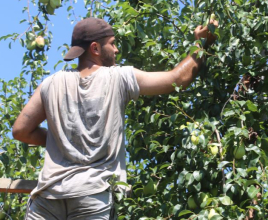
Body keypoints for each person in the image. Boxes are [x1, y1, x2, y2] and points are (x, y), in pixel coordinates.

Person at [12, 17, 218, 220]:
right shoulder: (119, 77)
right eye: (112, 44)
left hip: (47, 198)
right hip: (92, 195)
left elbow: (20, 130)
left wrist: (60, 139)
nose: (117, 49)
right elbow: (178, 79)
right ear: (95, 48)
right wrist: (201, 42)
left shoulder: (51, 84)